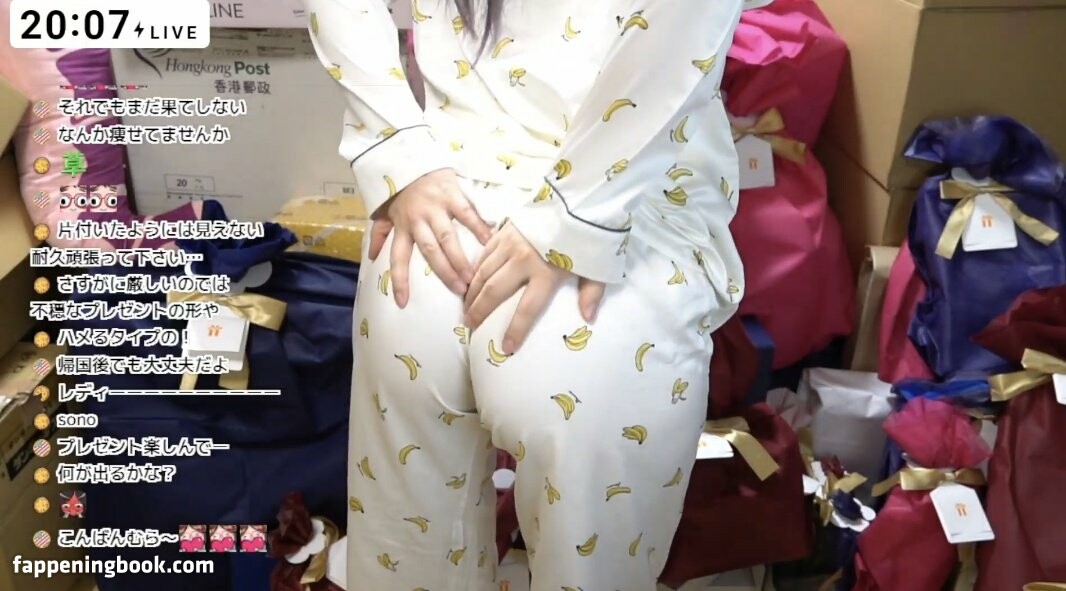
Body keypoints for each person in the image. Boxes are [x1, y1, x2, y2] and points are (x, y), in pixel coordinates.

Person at [306, 0, 758, 588]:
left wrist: (395, 149)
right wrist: (576, 218)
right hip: (619, 239)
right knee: (591, 568)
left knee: (407, 557)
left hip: (438, 229)